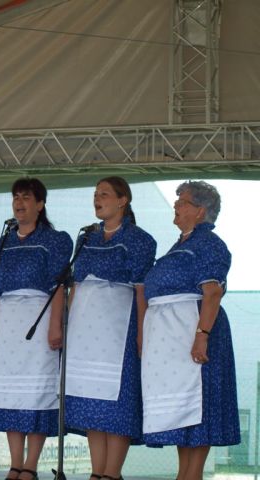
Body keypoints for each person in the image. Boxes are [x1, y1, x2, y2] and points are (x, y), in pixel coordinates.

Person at [141, 180, 240, 480]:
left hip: (196, 332)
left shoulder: (208, 243)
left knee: (199, 409)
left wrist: (202, 336)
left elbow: (212, 292)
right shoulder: (181, 244)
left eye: (182, 202)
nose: (176, 205)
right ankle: (184, 475)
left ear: (200, 211)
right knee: (184, 412)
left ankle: (191, 475)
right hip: (174, 336)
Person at [65, 176, 156, 480]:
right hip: (85, 329)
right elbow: (76, 286)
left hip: (119, 327)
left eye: (104, 194)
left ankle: (112, 473)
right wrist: (67, 324)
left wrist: (143, 332)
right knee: (92, 399)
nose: (97, 198)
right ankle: (97, 472)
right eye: (95, 194)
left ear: (122, 200)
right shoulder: (86, 238)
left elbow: (142, 290)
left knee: (116, 403)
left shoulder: (140, 239)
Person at [0, 178, 73, 480]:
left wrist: (55, 326)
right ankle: (14, 463)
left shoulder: (56, 240)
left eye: (26, 197)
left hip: (39, 317)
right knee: (11, 394)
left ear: (40, 204)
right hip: (6, 323)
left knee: (36, 394)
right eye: (16, 198)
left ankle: (30, 465)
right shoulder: (1, 243)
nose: (19, 203)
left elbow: (59, 286)